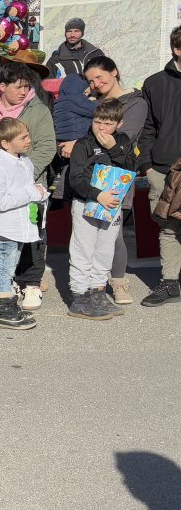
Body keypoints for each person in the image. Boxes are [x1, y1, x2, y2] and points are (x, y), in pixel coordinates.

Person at [0, 61, 57, 309]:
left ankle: (31, 285)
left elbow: (47, 146)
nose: (23, 91)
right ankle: (6, 285)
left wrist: (24, 177)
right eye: (18, 87)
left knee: (32, 236)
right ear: (2, 87)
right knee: (0, 235)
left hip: (30, 186)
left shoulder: (38, 110)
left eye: (26, 87)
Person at [81, 56, 150, 305]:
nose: (96, 83)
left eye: (100, 76)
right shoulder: (90, 104)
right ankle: (92, 281)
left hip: (116, 173)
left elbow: (123, 137)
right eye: (91, 80)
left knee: (114, 231)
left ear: (115, 72)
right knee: (88, 230)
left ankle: (118, 281)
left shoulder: (134, 102)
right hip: (89, 170)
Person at [66, 99, 137, 321]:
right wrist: (98, 194)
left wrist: (113, 148)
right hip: (87, 202)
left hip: (112, 205)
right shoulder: (84, 144)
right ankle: (79, 294)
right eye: (98, 122)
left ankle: (97, 290)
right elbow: (75, 178)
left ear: (119, 123)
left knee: (105, 248)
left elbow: (131, 167)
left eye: (107, 124)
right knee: (83, 248)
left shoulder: (123, 140)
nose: (101, 128)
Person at [0, 117, 45, 330]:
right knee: (6, 269)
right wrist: (30, 193)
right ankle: (3, 310)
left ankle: (8, 303)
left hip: (21, 226)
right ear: (5, 143)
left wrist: (38, 191)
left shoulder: (24, 160)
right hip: (6, 228)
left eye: (27, 135)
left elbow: (27, 187)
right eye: (23, 137)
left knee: (11, 266)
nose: (28, 140)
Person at [138, 24, 181, 307]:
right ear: (177, 49)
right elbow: (147, 128)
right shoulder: (154, 83)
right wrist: (148, 168)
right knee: (168, 228)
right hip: (164, 170)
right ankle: (170, 283)